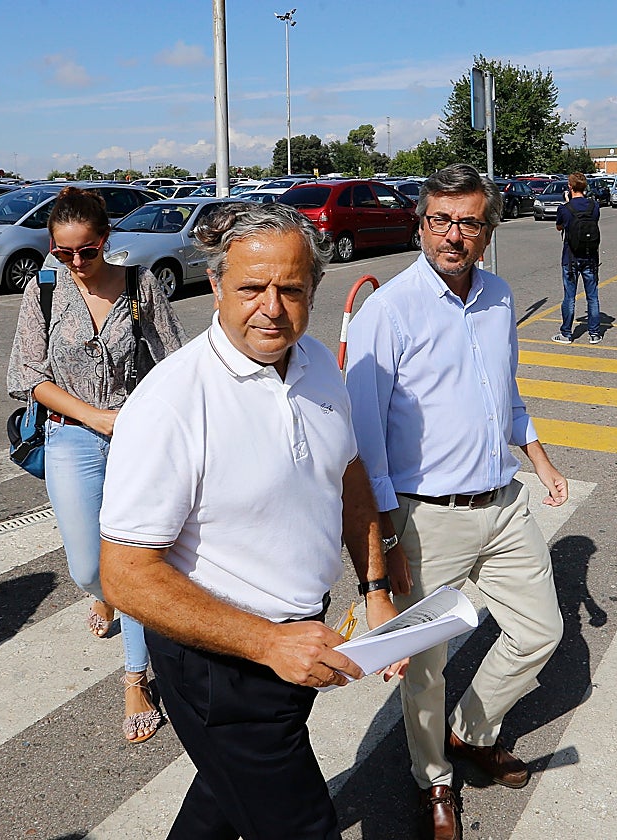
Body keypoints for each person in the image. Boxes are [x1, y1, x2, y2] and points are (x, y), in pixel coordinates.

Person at [98, 202, 404, 840]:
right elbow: (126, 578)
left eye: (291, 288)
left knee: (223, 793)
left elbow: (345, 476)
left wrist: (375, 588)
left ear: (314, 288)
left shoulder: (318, 362)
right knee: (301, 824)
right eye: (251, 287)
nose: (272, 307)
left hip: (298, 638)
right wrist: (269, 642)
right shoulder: (172, 401)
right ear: (214, 284)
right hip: (221, 664)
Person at [344, 163, 568, 840]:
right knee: (427, 667)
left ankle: (470, 732)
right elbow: (365, 433)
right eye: (440, 219)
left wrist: (540, 458)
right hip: (424, 516)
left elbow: (506, 396)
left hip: (501, 503)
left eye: (469, 221)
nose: (453, 234)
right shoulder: (390, 309)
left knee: (541, 631)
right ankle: (434, 782)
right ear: (420, 224)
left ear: (488, 229)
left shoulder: (499, 296)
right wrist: (383, 538)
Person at [7, 186, 186, 744]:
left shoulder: (140, 286)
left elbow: (175, 362)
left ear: (105, 241)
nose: (76, 264)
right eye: (63, 253)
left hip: (138, 442)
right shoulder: (42, 293)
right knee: (89, 569)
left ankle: (136, 679)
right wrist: (95, 416)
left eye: (86, 251)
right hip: (71, 439)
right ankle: (103, 595)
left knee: (130, 563)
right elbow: (24, 377)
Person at [552, 172, 602, 345]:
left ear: (570, 187)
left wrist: (567, 203)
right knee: (592, 296)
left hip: (570, 258)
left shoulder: (565, 209)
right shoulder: (594, 206)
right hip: (590, 257)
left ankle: (566, 333)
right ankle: (594, 333)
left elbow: (559, 227)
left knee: (569, 297)